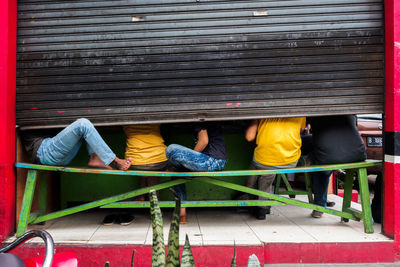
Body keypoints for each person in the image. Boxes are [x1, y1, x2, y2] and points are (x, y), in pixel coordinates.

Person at [165, 122, 227, 224]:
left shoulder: (200, 118)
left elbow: (204, 141)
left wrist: (192, 158)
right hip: (217, 162)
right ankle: (182, 214)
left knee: (171, 149)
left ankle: (181, 212)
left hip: (211, 161)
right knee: (177, 171)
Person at [245, 117, 306, 220]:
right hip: (291, 160)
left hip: (265, 161)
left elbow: (249, 137)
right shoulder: (299, 112)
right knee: (267, 171)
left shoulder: (261, 113)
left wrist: (255, 119)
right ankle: (261, 206)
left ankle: (250, 195)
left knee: (263, 167)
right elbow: (301, 130)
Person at [307, 115, 366, 218]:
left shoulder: (315, 110)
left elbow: (308, 128)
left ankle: (319, 206)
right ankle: (337, 171)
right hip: (357, 153)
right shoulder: (350, 108)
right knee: (323, 155)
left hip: (329, 155)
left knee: (319, 160)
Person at [22, 118, 132, 170]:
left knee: (86, 126)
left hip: (59, 155)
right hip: (44, 152)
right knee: (83, 124)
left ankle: (94, 156)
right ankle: (115, 161)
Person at [124, 124, 168, 201]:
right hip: (159, 160)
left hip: (134, 161)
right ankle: (155, 203)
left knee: (145, 165)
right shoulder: (154, 115)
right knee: (152, 168)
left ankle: (141, 196)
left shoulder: (125, 116)